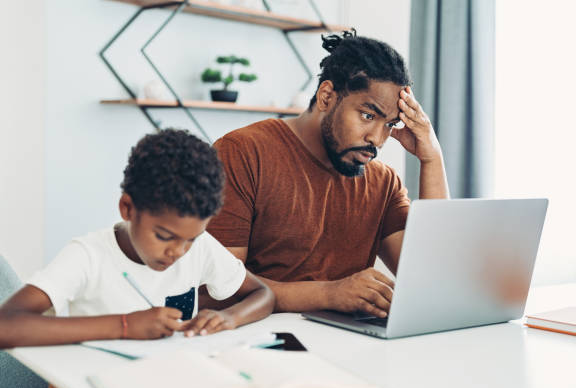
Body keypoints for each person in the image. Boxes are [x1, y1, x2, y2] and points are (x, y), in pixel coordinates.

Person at [202, 30, 450, 318]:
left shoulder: (384, 184)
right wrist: (330, 293)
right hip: (261, 338)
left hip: (349, 345)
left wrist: (431, 157)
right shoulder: (243, 152)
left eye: (390, 124)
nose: (378, 139)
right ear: (327, 96)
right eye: (368, 116)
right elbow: (217, 290)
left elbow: (432, 279)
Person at [0, 129, 274, 348]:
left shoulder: (199, 249)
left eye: (191, 238)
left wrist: (229, 317)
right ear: (128, 208)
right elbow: (5, 326)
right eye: (164, 236)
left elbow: (263, 294)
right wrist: (125, 326)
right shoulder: (88, 256)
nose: (178, 251)